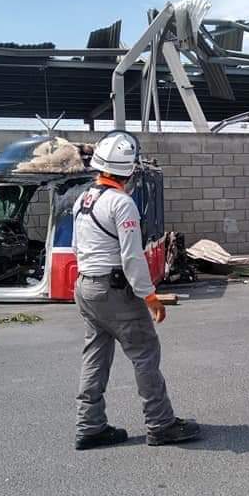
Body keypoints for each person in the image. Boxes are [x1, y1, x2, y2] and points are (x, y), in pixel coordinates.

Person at [71, 131, 200, 449]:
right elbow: (131, 257)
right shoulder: (121, 203)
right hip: (114, 290)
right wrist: (150, 296)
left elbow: (78, 247)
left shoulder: (82, 200)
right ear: (129, 171)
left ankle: (89, 425)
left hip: (86, 286)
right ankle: (160, 424)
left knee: (96, 356)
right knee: (144, 353)